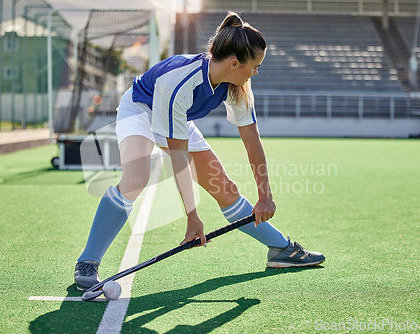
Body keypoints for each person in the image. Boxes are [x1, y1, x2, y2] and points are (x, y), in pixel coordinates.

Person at [74, 12, 325, 291]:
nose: (256, 72)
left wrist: (265, 195)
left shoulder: (235, 86)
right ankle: (88, 262)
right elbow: (178, 157)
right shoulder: (180, 82)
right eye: (254, 66)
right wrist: (192, 216)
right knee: (136, 178)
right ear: (234, 62)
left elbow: (252, 140)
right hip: (141, 110)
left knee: (225, 188)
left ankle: (282, 250)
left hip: (177, 117)